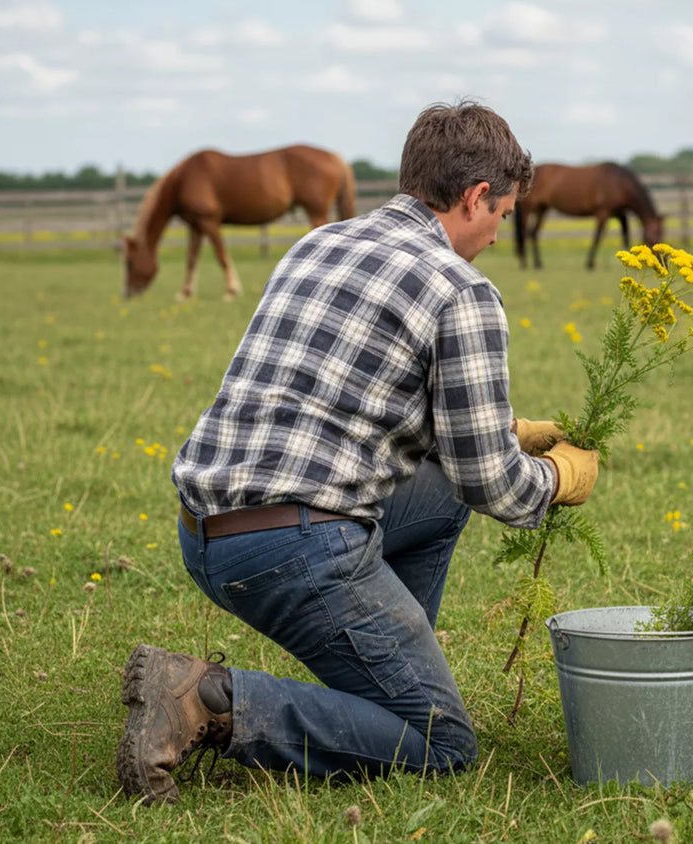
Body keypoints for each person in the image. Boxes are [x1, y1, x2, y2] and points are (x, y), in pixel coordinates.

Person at [115, 101, 602, 804]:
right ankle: (208, 700)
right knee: (442, 742)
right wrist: (558, 477)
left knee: (440, 497)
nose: (500, 234)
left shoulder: (318, 243)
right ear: (475, 198)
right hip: (293, 545)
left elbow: (347, 396)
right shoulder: (461, 289)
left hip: (204, 531)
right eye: (502, 213)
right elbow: (492, 485)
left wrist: (505, 427)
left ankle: (383, 677)